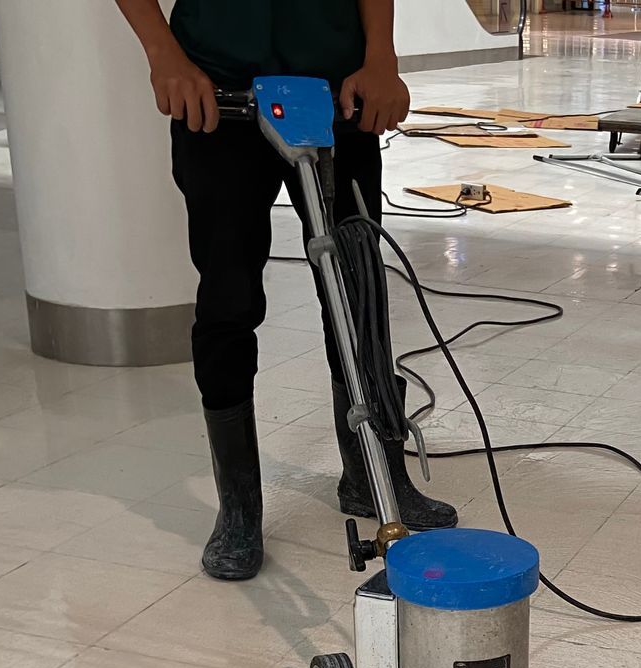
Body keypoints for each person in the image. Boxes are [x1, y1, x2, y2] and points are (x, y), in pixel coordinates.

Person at [114, 0, 457, 584]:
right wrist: (162, 55)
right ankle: (240, 506)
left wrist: (382, 57)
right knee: (228, 297)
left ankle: (371, 471)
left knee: (356, 289)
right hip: (216, 100)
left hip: (339, 95)